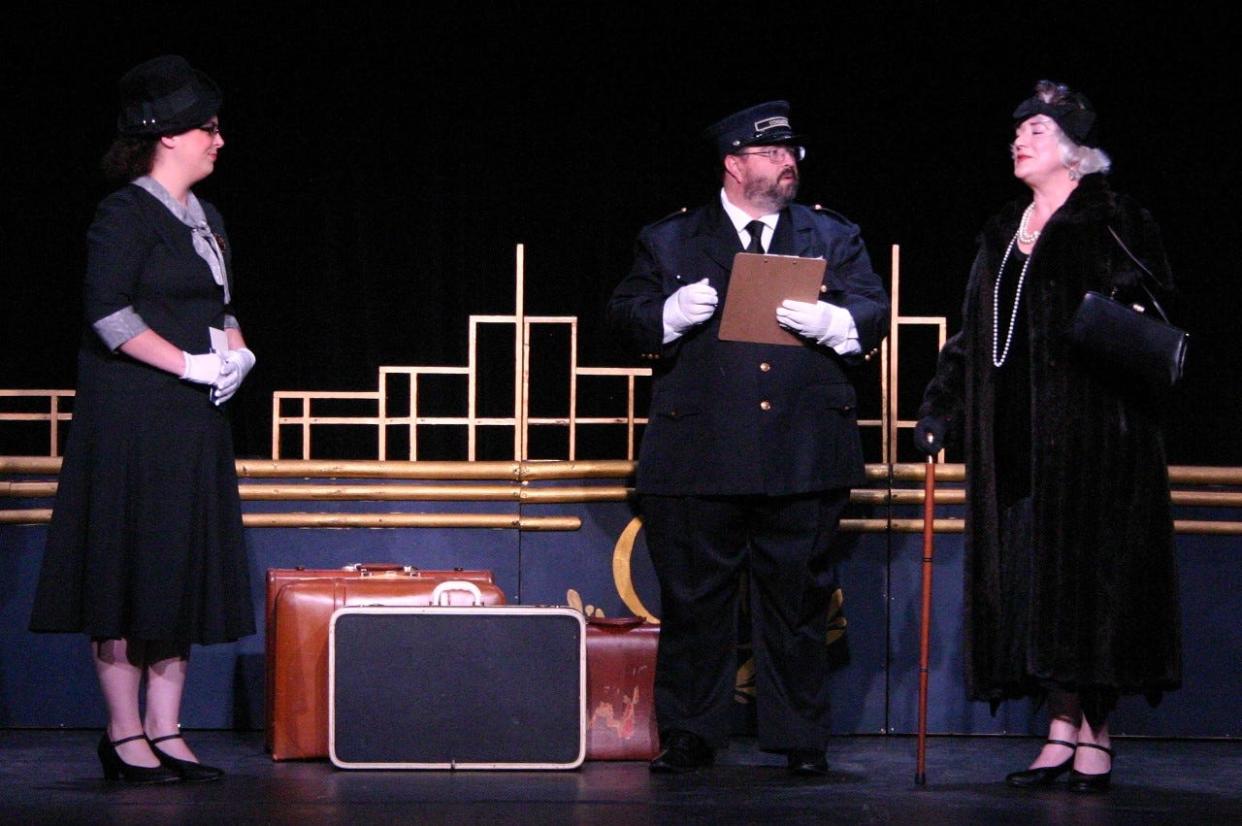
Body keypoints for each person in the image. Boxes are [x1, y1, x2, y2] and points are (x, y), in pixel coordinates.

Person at [607, 101, 889, 776]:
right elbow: (623, 316)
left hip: (802, 449)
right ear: (734, 163)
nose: (788, 162)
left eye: (793, 152)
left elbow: (873, 309)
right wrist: (667, 316)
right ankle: (691, 732)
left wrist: (835, 322)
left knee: (796, 603)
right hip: (700, 451)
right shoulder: (672, 239)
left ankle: (799, 738)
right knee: (696, 601)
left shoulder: (829, 233)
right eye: (771, 153)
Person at [914, 80, 1181, 793]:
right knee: (1037, 589)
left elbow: (1156, 312)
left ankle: (1097, 735)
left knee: (1093, 592)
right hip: (1016, 445)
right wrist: (940, 407)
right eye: (1017, 132)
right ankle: (1060, 727)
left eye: (1034, 130)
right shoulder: (1004, 228)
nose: (1018, 141)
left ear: (1072, 150)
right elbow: (974, 337)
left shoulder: (1112, 217)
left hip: (1100, 444)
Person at [29, 55, 257, 783]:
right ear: (167, 137)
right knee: (128, 569)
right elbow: (109, 314)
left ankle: (167, 727)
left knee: (176, 567)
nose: (219, 141)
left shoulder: (208, 218)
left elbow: (217, 307)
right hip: (131, 420)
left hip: (191, 425)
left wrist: (235, 354)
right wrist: (189, 365)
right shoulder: (125, 212)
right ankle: (124, 733)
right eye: (208, 129)